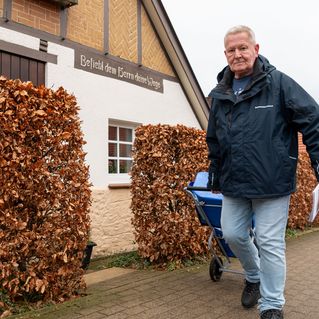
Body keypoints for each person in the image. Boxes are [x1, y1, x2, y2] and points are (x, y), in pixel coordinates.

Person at [206, 25, 319, 319]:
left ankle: (271, 305)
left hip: (272, 181)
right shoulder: (220, 94)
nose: (237, 54)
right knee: (231, 234)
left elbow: (313, 121)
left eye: (243, 48)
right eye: (231, 50)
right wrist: (215, 173)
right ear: (225, 54)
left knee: (270, 242)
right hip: (234, 182)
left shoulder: (279, 84)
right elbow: (214, 139)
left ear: (256, 50)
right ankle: (253, 276)